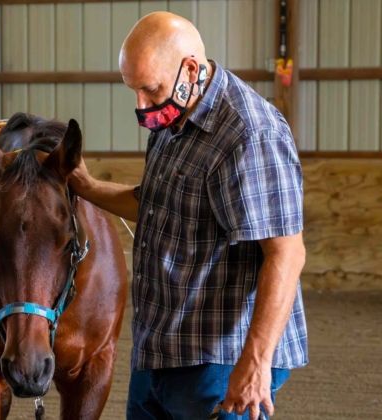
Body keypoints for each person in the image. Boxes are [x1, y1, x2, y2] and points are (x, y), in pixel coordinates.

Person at [68, 12, 308, 420]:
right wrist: (87, 188)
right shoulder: (173, 115)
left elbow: (286, 253)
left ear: (190, 70)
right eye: (134, 91)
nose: (141, 106)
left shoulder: (250, 134)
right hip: (163, 348)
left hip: (220, 360)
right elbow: (158, 206)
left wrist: (256, 361)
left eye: (149, 89)